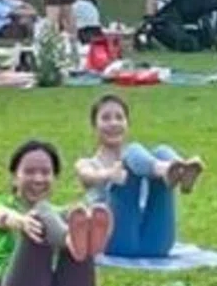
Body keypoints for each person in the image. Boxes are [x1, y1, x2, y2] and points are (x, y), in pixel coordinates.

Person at [0, 140, 112, 286]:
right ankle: (70, 240)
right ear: (14, 176)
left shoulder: (57, 215)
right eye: (29, 172)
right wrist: (21, 221)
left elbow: (62, 214)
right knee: (41, 214)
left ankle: (81, 241)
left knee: (73, 214)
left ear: (54, 177)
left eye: (45, 172)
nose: (38, 178)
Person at [76, 94, 204, 259]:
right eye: (106, 118)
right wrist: (108, 174)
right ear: (94, 125)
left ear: (127, 124)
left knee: (161, 151)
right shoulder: (86, 163)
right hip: (116, 243)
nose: (113, 123)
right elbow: (87, 176)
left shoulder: (139, 161)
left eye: (119, 118)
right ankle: (170, 170)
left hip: (156, 244)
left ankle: (182, 170)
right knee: (132, 153)